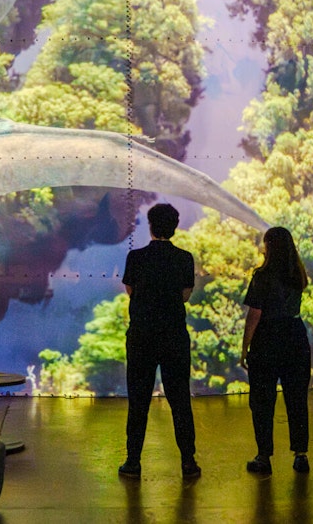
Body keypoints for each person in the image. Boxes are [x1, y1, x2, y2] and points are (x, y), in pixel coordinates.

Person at [118, 203, 201, 479]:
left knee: (138, 400)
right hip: (174, 337)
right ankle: (188, 460)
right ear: (175, 227)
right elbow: (185, 295)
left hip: (141, 336)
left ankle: (133, 461)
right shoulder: (184, 258)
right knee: (179, 400)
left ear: (151, 225)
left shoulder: (136, 257)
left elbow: (130, 290)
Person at [240, 226, 311, 474]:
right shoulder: (298, 274)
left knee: (262, 401)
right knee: (297, 399)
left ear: (269, 246)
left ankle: (264, 456)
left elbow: (255, 315)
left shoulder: (263, 276)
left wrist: (245, 346)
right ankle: (300, 454)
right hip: (295, 336)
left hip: (267, 339)